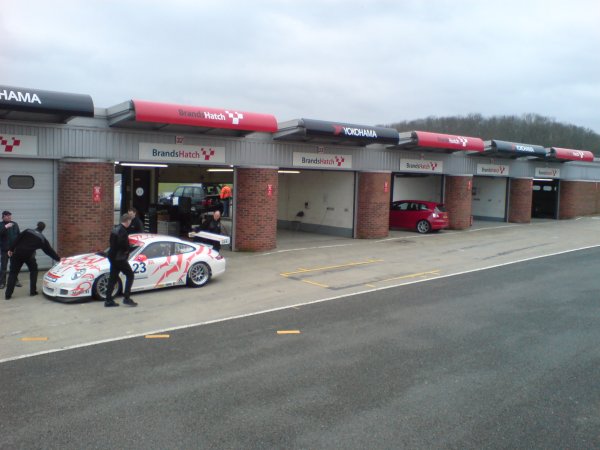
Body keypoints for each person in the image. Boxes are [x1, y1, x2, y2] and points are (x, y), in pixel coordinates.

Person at [5, 222, 60, 300]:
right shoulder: (42, 239)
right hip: (29, 256)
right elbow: (49, 251)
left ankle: (8, 295)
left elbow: (17, 239)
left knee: (13, 273)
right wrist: (58, 259)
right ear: (43, 229)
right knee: (34, 270)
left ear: (37, 226)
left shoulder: (27, 230)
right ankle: (33, 291)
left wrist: (11, 249)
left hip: (17, 254)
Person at [105, 213, 136, 307]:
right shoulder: (123, 231)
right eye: (130, 221)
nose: (130, 222)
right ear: (127, 221)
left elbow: (111, 242)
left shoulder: (115, 228)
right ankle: (126, 297)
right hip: (119, 258)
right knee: (130, 275)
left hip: (112, 256)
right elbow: (122, 245)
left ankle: (108, 300)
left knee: (113, 278)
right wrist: (128, 249)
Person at [0, 211, 22, 289]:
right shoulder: (1, 225)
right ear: (3, 217)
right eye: (7, 216)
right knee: (3, 267)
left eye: (10, 216)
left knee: (14, 266)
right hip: (5, 250)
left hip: (14, 250)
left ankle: (15, 281)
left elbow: (19, 235)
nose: (9, 217)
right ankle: (2, 283)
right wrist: (6, 227)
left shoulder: (15, 224)